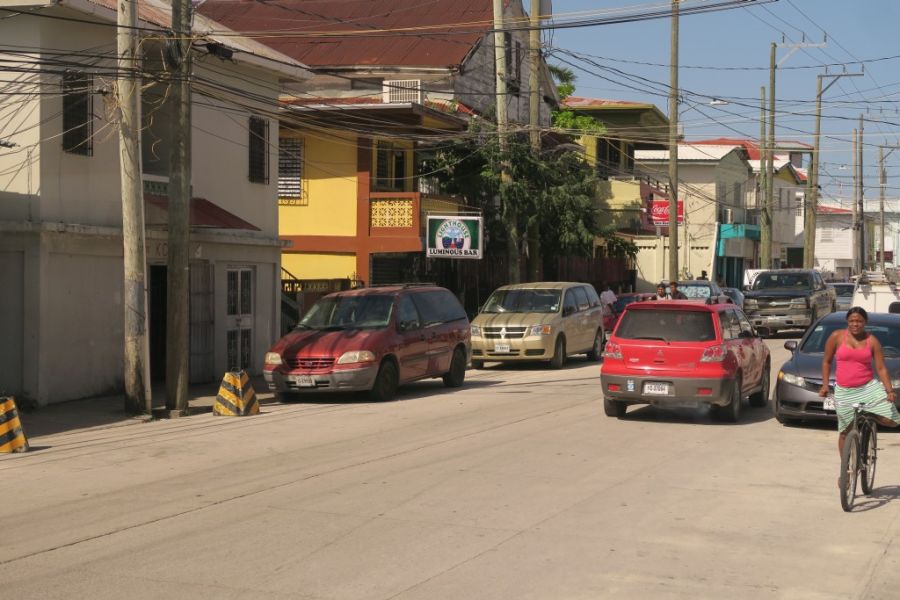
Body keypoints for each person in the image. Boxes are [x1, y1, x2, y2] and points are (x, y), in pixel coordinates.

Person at [820, 306, 900, 457]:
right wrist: (825, 385)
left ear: (865, 322)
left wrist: (889, 391)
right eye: (852, 321)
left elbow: (881, 368)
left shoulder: (872, 341)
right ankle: (845, 467)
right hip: (844, 390)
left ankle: (870, 415)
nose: (855, 324)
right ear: (847, 321)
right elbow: (826, 362)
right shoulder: (837, 337)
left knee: (893, 419)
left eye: (859, 321)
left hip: (868, 388)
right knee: (845, 431)